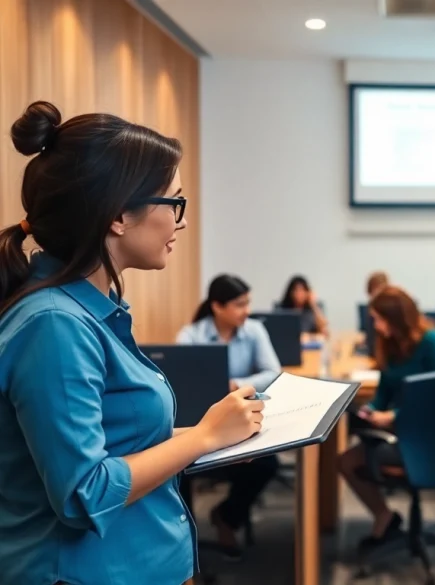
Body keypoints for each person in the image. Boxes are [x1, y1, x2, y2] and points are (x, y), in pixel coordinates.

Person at [0, 101, 264, 585]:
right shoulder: (55, 325)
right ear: (120, 215)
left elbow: (126, 447)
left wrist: (214, 440)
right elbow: (85, 493)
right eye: (174, 203)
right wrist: (204, 436)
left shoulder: (90, 313)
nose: (181, 222)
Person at [337, 285, 435, 551]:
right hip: (400, 430)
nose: (375, 326)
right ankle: (384, 515)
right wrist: (371, 409)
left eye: (379, 319)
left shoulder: (433, 342)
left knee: (351, 460)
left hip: (428, 436)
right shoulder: (389, 343)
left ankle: (385, 519)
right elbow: (385, 391)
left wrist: (392, 416)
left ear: (397, 318)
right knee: (343, 461)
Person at [176, 274, 282, 560]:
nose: (247, 311)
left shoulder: (254, 330)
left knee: (266, 465)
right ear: (217, 307)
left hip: (241, 426)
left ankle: (227, 517)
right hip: (198, 426)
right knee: (177, 467)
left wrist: (234, 385)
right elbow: (184, 381)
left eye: (247, 303)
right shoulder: (191, 335)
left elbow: (273, 373)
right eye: (239, 304)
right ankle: (186, 542)